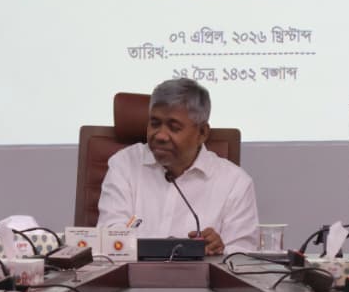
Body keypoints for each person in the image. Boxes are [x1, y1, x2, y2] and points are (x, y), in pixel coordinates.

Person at [96, 79, 259, 256]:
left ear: (202, 133)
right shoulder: (124, 165)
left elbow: (243, 255)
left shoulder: (235, 183)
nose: (161, 136)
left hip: (200, 274)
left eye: (174, 127)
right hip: (132, 272)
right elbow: (110, 235)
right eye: (155, 124)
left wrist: (220, 249)